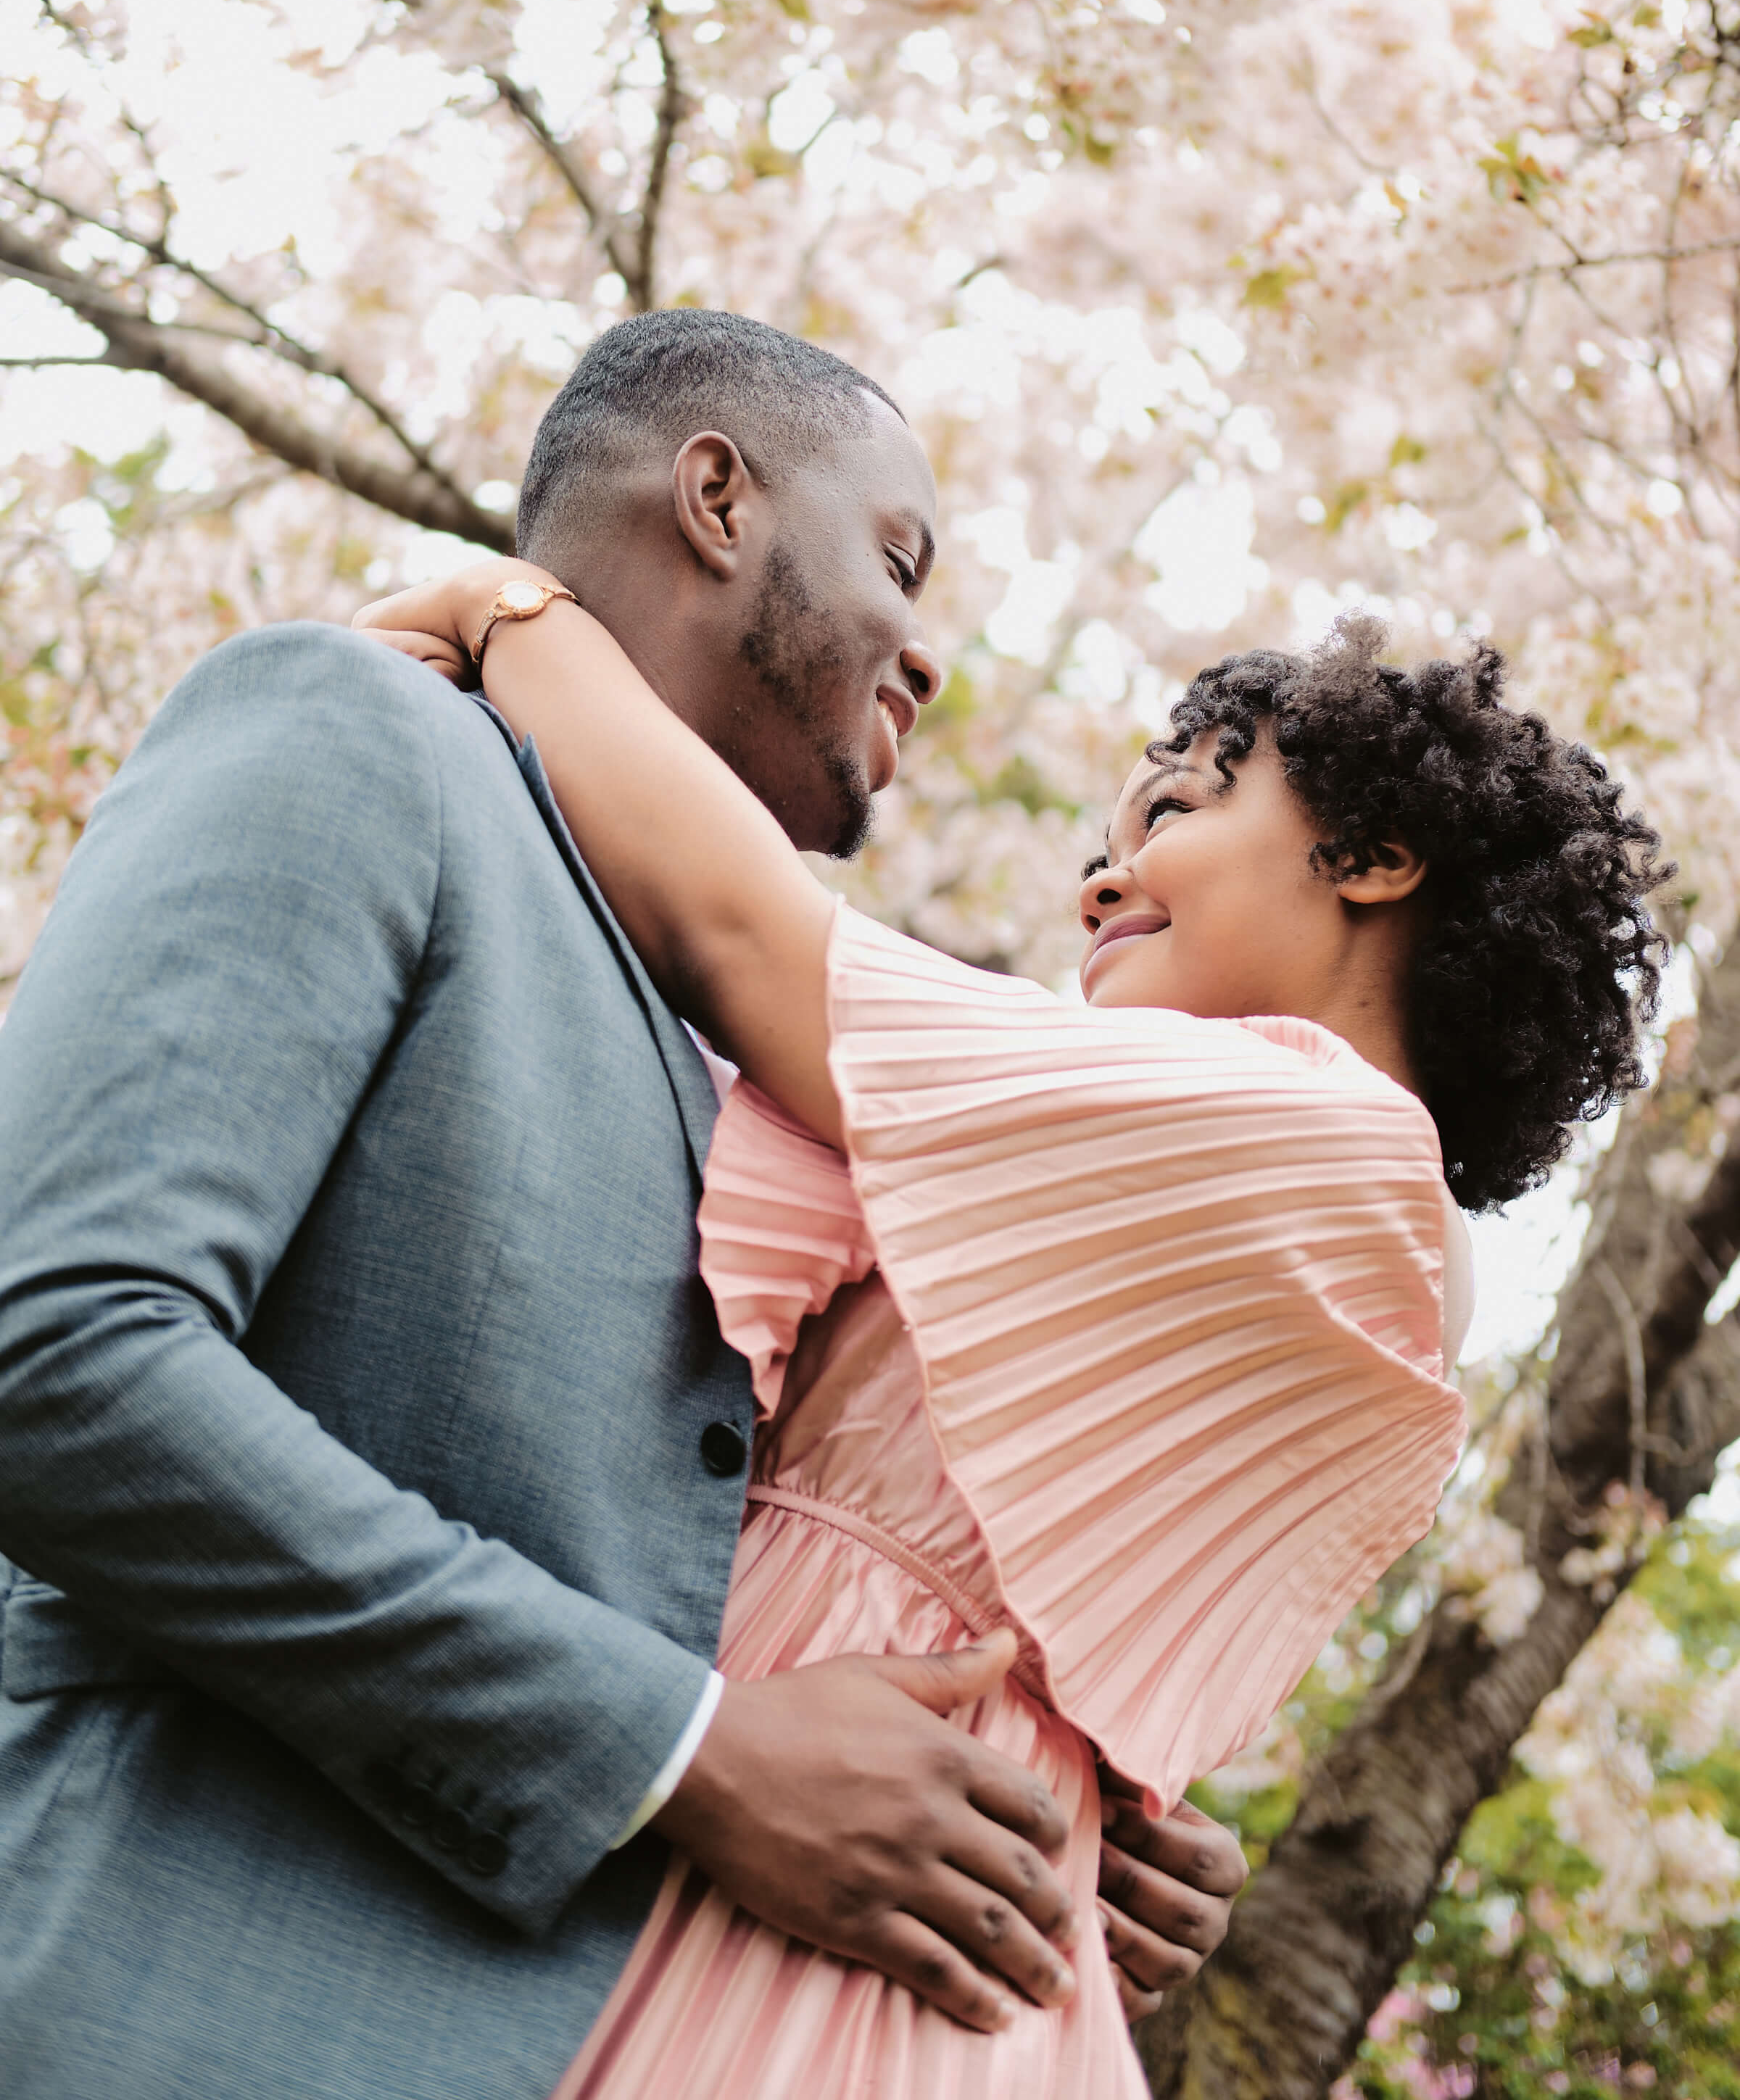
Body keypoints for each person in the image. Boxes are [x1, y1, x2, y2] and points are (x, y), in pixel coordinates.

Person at [0, 313, 1241, 2100]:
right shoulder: (354, 730)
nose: (935, 657)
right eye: (900, 562)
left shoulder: (757, 1074)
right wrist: (683, 1753)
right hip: (177, 2001)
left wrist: (1045, 1800)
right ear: (719, 499)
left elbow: (676, 1553)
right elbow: (60, 1354)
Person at [354, 536, 1667, 2099]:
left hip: (839, 1911)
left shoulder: (1330, 1141)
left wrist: (498, 610)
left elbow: (757, 941)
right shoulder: (1224, 1181)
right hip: (874, 1847)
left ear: (1377, 852)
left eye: (1177, 809)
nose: (1101, 873)